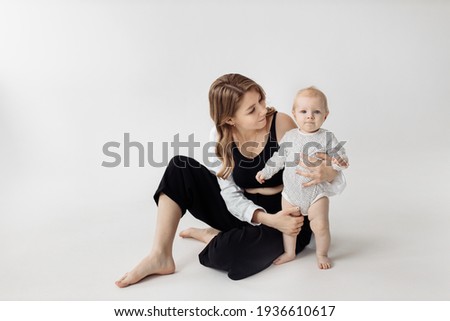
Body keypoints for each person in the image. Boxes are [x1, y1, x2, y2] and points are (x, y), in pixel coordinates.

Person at [115, 74, 346, 287]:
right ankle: (160, 255)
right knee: (179, 168)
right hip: (245, 210)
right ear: (230, 119)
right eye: (251, 110)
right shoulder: (219, 136)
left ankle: (211, 235)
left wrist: (330, 173)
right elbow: (230, 194)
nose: (263, 111)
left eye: (262, 101)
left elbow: (310, 176)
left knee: (226, 255)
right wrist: (265, 218)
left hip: (288, 215)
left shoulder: (282, 124)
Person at [256, 87, 348, 269]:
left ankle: (321, 253)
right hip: (291, 193)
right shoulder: (290, 136)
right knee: (290, 226)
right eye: (304, 111)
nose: (310, 116)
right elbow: (279, 158)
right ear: (294, 114)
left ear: (326, 116)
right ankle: (290, 252)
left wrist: (340, 161)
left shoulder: (327, 137)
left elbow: (339, 156)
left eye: (316, 112)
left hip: (316, 194)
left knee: (320, 226)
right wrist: (266, 171)